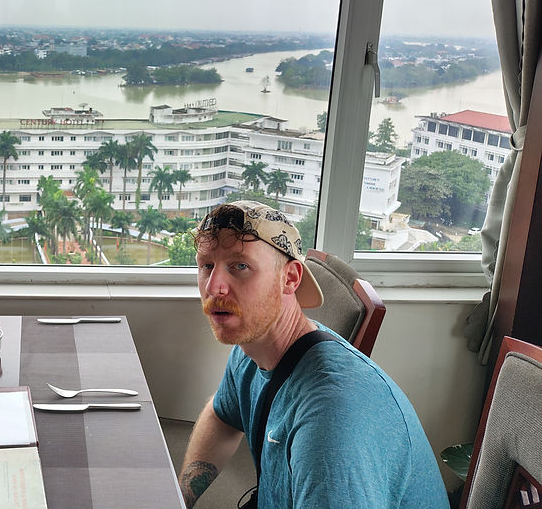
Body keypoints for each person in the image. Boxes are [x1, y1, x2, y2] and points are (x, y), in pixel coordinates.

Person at [180, 200, 449, 509]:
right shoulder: (252, 348)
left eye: (240, 266)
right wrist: (180, 498)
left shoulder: (330, 425)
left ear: (290, 279)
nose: (215, 287)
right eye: (207, 266)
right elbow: (222, 416)